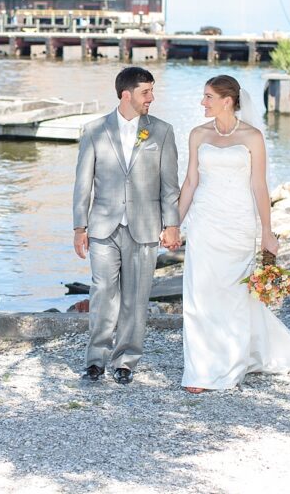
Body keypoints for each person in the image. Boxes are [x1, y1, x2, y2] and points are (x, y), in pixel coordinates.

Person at [178, 75, 290, 393]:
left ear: (226, 100)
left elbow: (259, 186)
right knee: (198, 294)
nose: (202, 102)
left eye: (207, 97)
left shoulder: (252, 137)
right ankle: (200, 369)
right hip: (204, 222)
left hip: (239, 224)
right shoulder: (197, 135)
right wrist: (175, 223)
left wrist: (267, 233)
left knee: (233, 296)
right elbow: (190, 182)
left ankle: (230, 365)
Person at [73, 67, 181, 385]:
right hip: (103, 227)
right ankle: (95, 360)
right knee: (102, 292)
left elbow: (169, 184)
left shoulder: (161, 131)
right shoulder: (93, 130)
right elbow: (83, 183)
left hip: (145, 226)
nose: (152, 97)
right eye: (146, 92)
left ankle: (126, 361)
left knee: (136, 297)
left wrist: (171, 224)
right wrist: (79, 227)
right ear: (126, 95)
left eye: (152, 91)